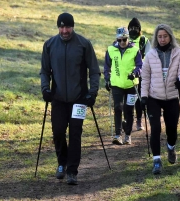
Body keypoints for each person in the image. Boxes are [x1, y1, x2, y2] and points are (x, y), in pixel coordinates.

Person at [40, 12, 100, 185]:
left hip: (79, 98)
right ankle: (62, 163)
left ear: (73, 27)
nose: (64, 30)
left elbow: (94, 70)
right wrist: (45, 88)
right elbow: (44, 71)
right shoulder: (49, 45)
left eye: (67, 27)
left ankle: (72, 171)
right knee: (58, 132)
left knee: (75, 133)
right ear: (58, 27)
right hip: (57, 98)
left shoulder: (84, 44)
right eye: (62, 26)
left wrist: (92, 92)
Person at [140, 24, 180, 174]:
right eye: (159, 36)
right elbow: (145, 77)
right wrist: (143, 96)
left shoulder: (178, 52)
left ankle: (171, 147)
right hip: (154, 96)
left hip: (172, 96)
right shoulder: (151, 54)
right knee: (155, 128)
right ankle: (156, 161)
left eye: (165, 36)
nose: (162, 39)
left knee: (171, 129)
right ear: (156, 38)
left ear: (170, 37)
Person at [104, 27, 142, 145]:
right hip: (117, 85)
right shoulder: (111, 50)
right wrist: (107, 80)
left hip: (131, 85)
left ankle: (128, 135)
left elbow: (140, 66)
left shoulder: (135, 50)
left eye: (124, 40)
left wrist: (135, 73)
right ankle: (118, 134)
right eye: (119, 40)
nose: (122, 42)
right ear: (116, 40)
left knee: (129, 110)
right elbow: (107, 67)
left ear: (128, 39)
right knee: (118, 108)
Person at [127, 17, 151, 131]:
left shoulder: (143, 40)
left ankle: (139, 120)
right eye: (131, 28)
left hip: (141, 73)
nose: (133, 30)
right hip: (126, 73)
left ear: (139, 29)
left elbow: (149, 55)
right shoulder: (124, 40)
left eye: (135, 28)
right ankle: (128, 120)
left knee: (139, 98)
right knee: (128, 99)